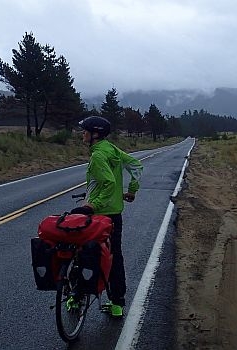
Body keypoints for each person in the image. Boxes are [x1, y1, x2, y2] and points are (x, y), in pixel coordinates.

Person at [71, 116, 143, 318]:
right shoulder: (111, 149)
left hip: (97, 216)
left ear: (95, 134)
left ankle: (76, 297)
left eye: (85, 130)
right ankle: (117, 303)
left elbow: (109, 183)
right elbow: (136, 166)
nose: (82, 133)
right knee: (114, 257)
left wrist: (93, 204)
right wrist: (132, 190)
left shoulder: (98, 156)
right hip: (115, 215)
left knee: (82, 253)